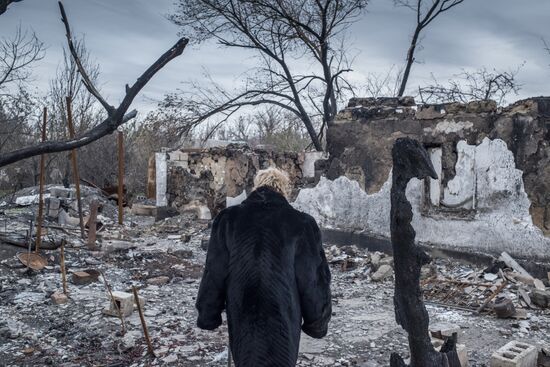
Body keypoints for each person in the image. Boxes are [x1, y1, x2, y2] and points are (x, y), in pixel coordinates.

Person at [196, 167, 332, 367]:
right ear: (285, 189)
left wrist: (208, 313)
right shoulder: (302, 224)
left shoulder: (227, 220)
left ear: (256, 187)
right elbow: (312, 279)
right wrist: (317, 322)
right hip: (283, 319)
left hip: (243, 314)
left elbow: (214, 272)